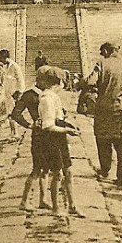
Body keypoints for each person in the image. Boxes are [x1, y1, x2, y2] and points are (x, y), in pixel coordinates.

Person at [37, 66, 83, 217]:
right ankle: (56, 207)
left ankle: (72, 205)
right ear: (59, 83)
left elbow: (58, 120)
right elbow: (48, 126)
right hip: (51, 139)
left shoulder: (53, 97)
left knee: (68, 171)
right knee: (57, 173)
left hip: (59, 137)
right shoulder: (47, 100)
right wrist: (66, 130)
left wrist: (67, 125)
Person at [92, 42, 122, 189]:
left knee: (103, 140)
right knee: (121, 143)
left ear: (105, 50)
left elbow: (91, 81)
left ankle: (105, 171)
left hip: (104, 108)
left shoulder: (102, 64)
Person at [11, 67, 49, 211]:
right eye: (47, 80)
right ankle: (24, 201)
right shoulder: (29, 95)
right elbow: (15, 114)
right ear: (39, 79)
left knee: (46, 168)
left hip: (50, 133)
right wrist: (29, 125)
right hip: (39, 135)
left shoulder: (48, 94)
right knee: (37, 168)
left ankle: (43, 199)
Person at [0, 49, 25, 136]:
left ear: (6, 58)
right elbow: (1, 80)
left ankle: (15, 133)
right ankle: (13, 132)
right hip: (7, 93)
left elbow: (20, 79)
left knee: (12, 113)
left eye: (1, 58)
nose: (0, 60)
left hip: (15, 92)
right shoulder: (2, 67)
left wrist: (20, 91)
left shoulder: (14, 66)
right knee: (9, 113)